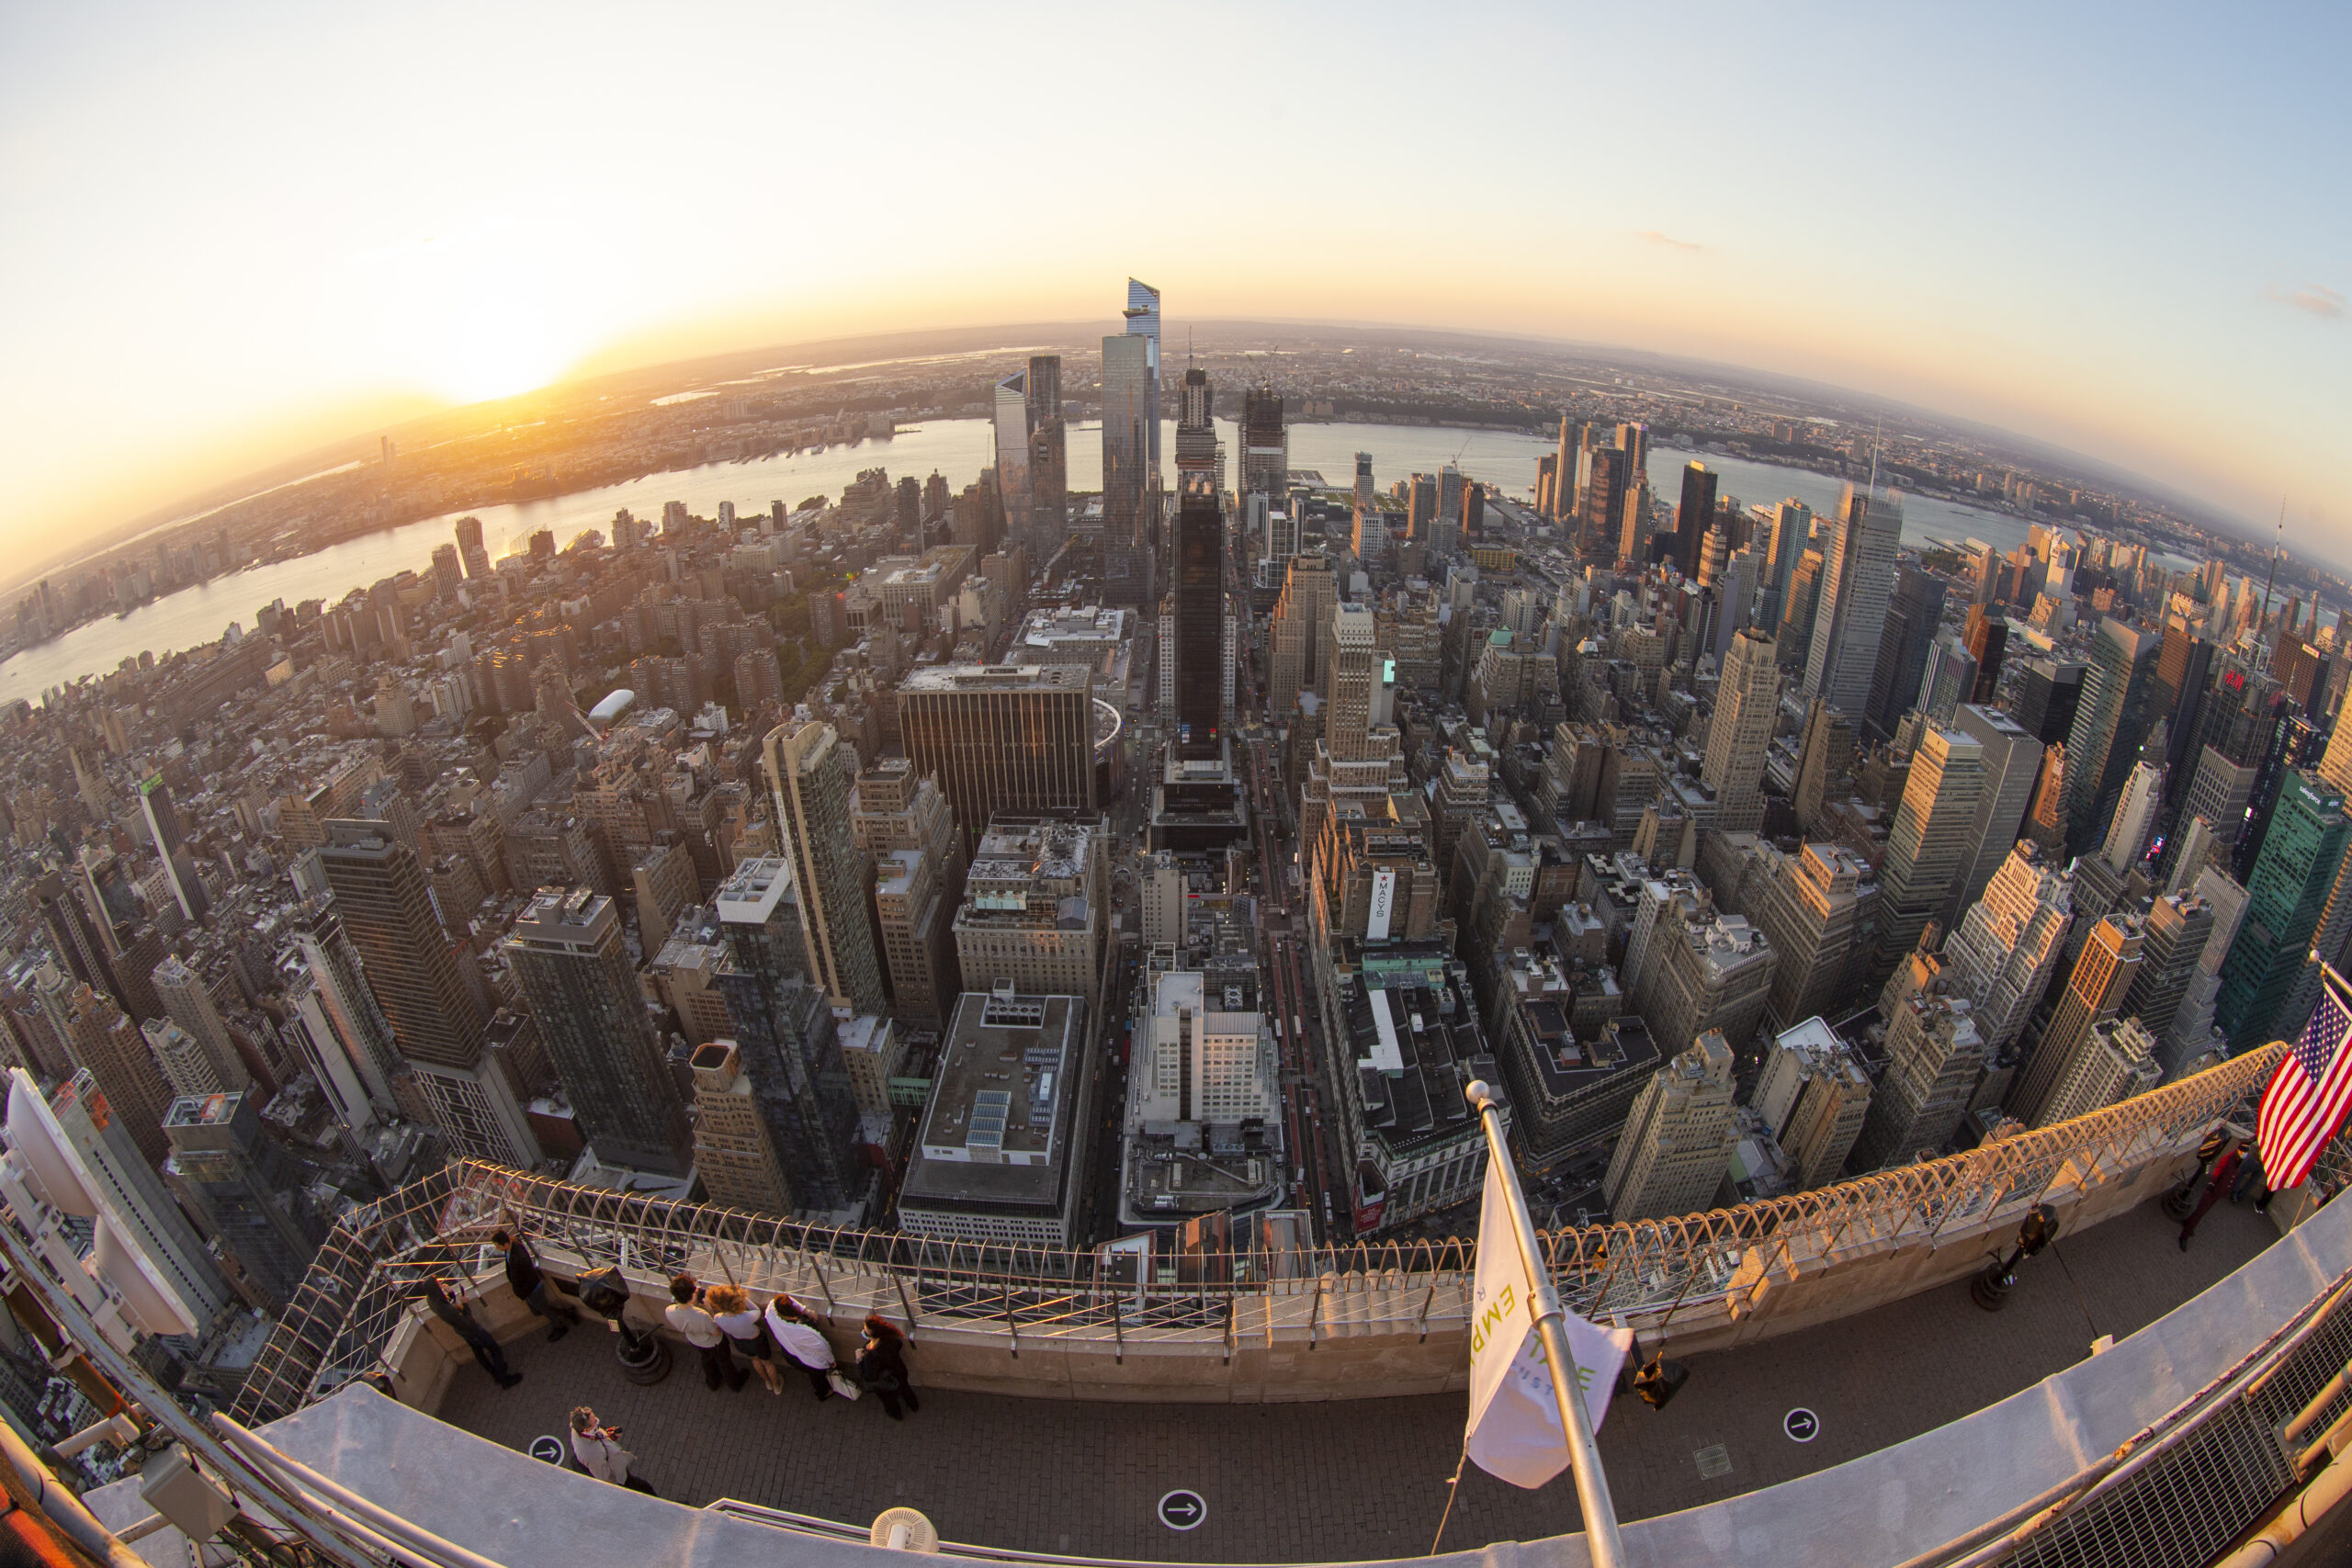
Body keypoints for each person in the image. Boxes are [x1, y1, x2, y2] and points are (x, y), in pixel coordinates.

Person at [411, 1276, 521, 1389]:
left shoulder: (432, 1301)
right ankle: (504, 1378)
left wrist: (451, 1295)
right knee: (494, 1349)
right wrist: (465, 1303)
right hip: (472, 1331)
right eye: (438, 1284)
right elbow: (468, 1321)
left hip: (463, 1332)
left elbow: (450, 1307)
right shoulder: (446, 1309)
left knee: (479, 1354)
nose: (441, 1285)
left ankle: (496, 1374)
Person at [492, 1229, 581, 1340]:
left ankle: (560, 1326)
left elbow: (526, 1275)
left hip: (532, 1289)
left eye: (498, 1246)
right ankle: (567, 1313)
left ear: (505, 1244)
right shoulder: (511, 1247)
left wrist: (523, 1290)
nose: (497, 1248)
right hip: (529, 1289)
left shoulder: (519, 1257)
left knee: (543, 1310)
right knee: (539, 1310)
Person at [665, 1274, 744, 1393]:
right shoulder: (702, 1316)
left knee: (707, 1361)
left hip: (694, 1340)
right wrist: (711, 1311)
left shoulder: (669, 1310)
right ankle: (735, 1384)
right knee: (725, 1364)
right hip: (715, 1344)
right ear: (691, 1296)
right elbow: (716, 1333)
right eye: (695, 1289)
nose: (697, 1290)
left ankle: (713, 1383)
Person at [707, 1284, 783, 1394]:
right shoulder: (746, 1316)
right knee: (767, 1363)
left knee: (755, 1360)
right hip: (757, 1340)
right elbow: (757, 1311)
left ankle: (767, 1382)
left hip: (740, 1342)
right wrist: (743, 1296)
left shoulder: (718, 1318)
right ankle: (776, 1386)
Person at [763, 1293, 838, 1402]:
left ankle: (822, 1392)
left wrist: (805, 1311)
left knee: (813, 1374)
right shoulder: (803, 1330)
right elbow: (821, 1346)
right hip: (807, 1359)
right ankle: (823, 1393)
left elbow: (779, 1300)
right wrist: (831, 1360)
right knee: (817, 1375)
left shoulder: (770, 1313)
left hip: (788, 1353)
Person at [568, 1407, 655, 1495]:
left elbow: (598, 1438)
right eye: (595, 1423)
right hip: (619, 1477)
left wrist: (608, 1437)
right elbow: (604, 1477)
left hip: (614, 1465)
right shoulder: (592, 1454)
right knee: (644, 1488)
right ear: (587, 1430)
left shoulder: (578, 1428)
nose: (597, 1422)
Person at [856, 1314, 920, 1421]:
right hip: (899, 1372)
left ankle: (897, 1415)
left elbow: (869, 1376)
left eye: (865, 1330)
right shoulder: (891, 1340)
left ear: (871, 1336)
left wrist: (859, 1359)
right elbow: (899, 1345)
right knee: (906, 1389)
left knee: (889, 1402)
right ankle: (914, 1406)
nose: (863, 1330)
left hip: (886, 1383)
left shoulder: (871, 1356)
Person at [2181, 1144, 2242, 1250]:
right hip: (2213, 1190)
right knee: (2200, 1212)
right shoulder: (2229, 1159)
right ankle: (2184, 1236)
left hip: (2218, 1192)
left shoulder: (2237, 1161)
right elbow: (2218, 1171)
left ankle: (2188, 1222)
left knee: (2203, 1211)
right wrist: (2212, 1184)